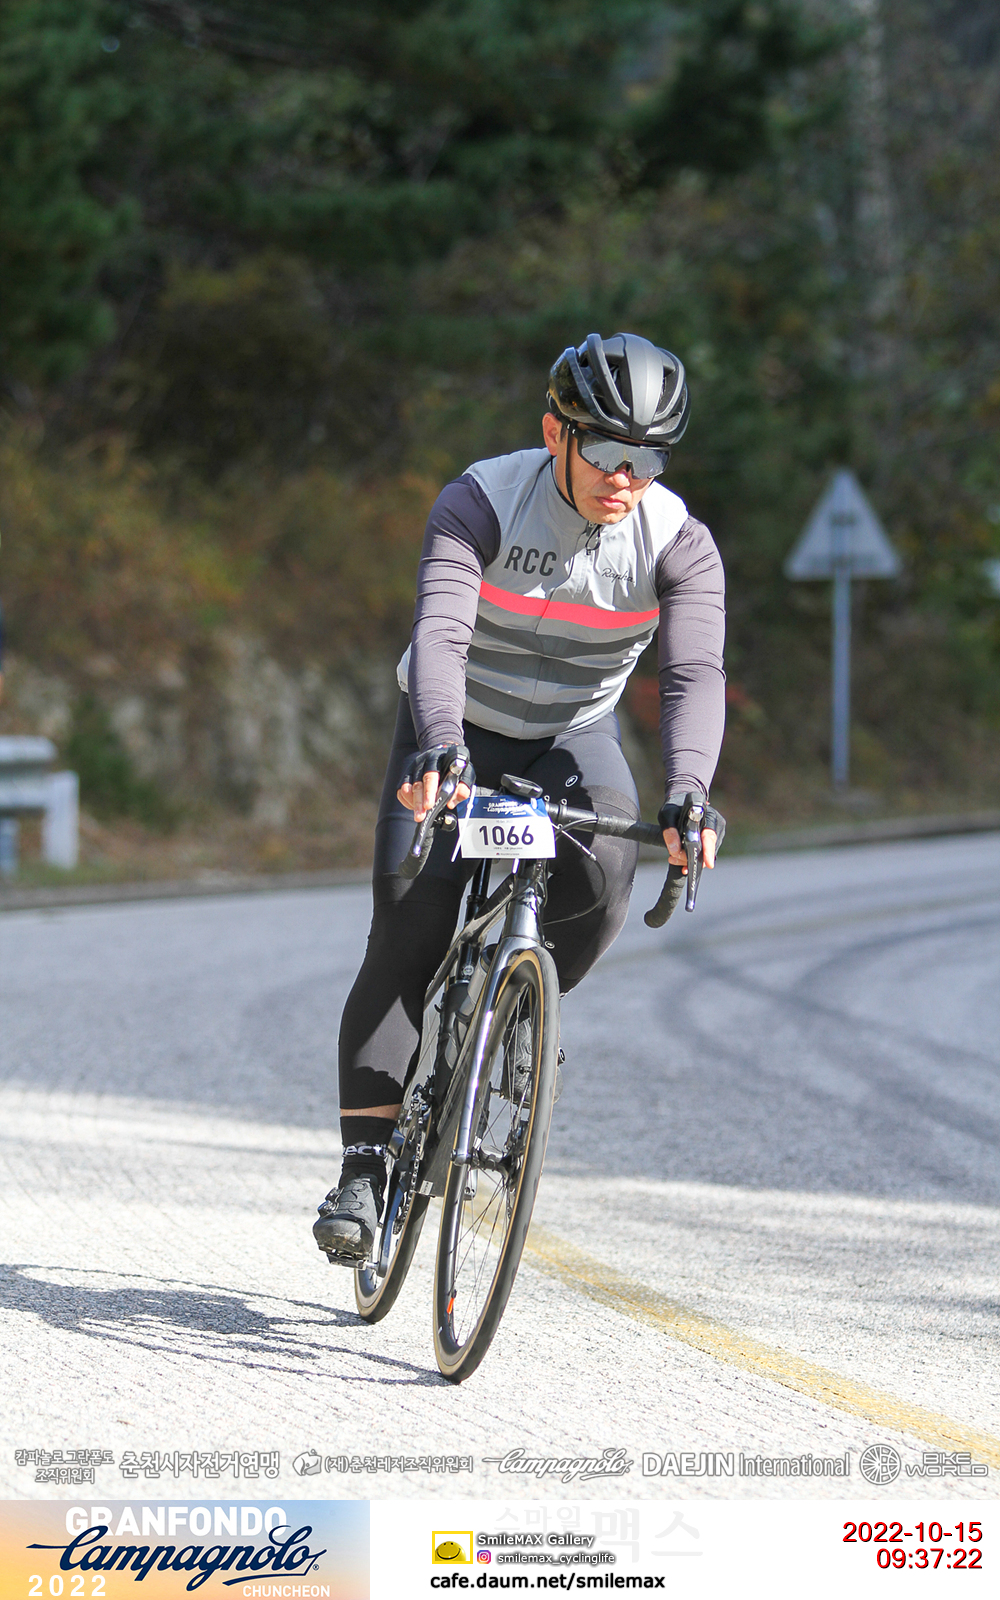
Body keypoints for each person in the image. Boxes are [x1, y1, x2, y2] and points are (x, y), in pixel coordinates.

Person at [313, 332, 726, 1264]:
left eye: (650, 458)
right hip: (455, 724)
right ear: (555, 433)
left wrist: (689, 793)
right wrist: (442, 746)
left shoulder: (679, 543)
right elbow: (441, 635)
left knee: (607, 881)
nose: (627, 477)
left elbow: (695, 673)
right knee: (409, 926)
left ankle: (515, 1009)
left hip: (573, 737)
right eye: (607, 450)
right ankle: (364, 1171)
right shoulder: (481, 502)